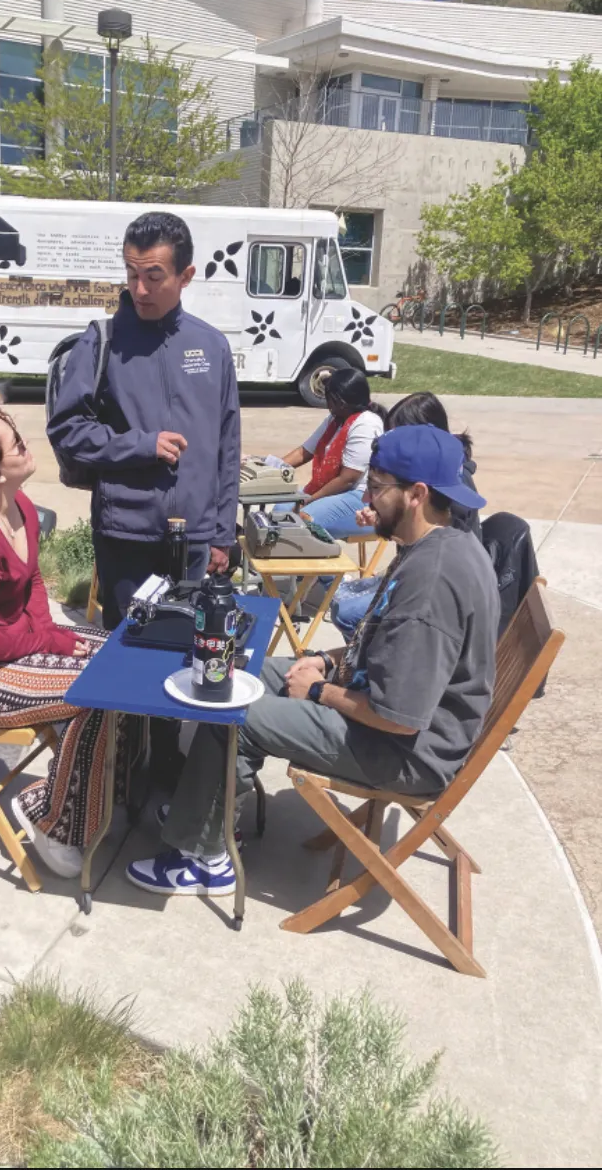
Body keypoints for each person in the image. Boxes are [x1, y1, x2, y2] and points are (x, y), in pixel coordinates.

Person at [126, 426, 499, 896]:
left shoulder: (432, 584)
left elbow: (399, 718)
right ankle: (204, 809)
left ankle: (204, 855)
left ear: (416, 494)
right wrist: (323, 659)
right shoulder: (441, 543)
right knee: (239, 671)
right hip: (386, 710)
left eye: (378, 486)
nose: (367, 495)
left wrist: (320, 691)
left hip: (404, 752)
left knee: (238, 714)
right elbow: (386, 644)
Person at [47, 210, 241, 778]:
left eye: (154, 275)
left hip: (197, 538)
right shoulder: (102, 341)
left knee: (189, 657)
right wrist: (140, 446)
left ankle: (167, 773)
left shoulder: (211, 346)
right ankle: (119, 773)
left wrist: (223, 532)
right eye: (131, 273)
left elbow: (228, 444)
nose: (139, 289)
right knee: (130, 659)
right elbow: (68, 432)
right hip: (127, 533)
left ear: (187, 275)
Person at [0, 404, 123, 879]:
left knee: (124, 658)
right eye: (11, 439)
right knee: (97, 696)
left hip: (9, 645)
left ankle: (107, 792)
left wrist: (44, 635)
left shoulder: (22, 507)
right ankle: (48, 816)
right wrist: (43, 638)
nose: (22, 440)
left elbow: (32, 581)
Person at [331, 391, 481, 639]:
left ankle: (359, 656)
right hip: (414, 570)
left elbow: (433, 547)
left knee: (349, 612)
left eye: (397, 436)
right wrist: (383, 518)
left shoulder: (452, 489)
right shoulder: (432, 483)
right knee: (341, 600)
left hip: (429, 583)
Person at [275, 366, 386, 539]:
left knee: (300, 523)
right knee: (280, 510)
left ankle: (311, 564)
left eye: (328, 399)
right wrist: (269, 470)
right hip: (336, 492)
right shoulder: (335, 420)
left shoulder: (366, 423)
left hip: (360, 497)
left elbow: (347, 480)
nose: (327, 404)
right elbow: (304, 452)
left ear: (339, 401)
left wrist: (309, 500)